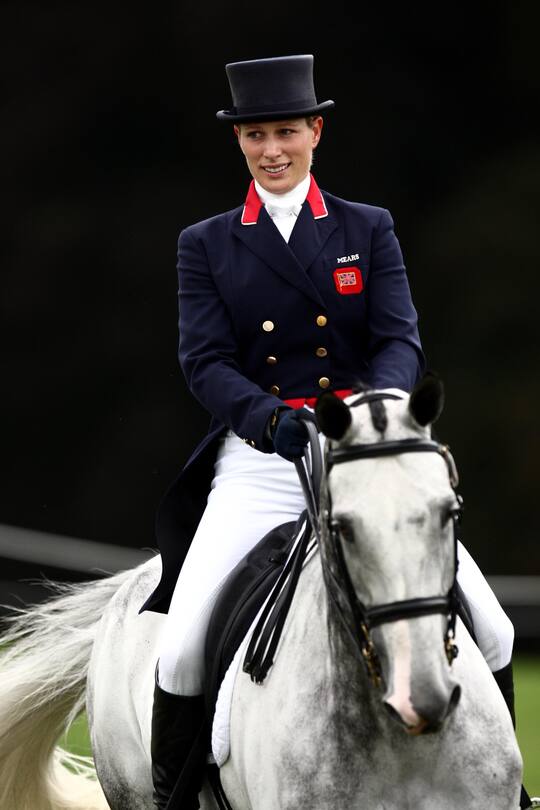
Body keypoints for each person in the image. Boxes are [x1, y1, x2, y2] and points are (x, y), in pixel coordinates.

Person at [139, 55, 533, 810]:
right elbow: (206, 361)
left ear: (314, 131)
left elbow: (399, 338)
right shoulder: (207, 243)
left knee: (496, 628)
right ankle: (176, 797)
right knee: (183, 647)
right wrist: (270, 421)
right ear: (241, 142)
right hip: (262, 460)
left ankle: (509, 793)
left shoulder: (367, 227)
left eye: (285, 130)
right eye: (255, 135)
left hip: (366, 451)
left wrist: (374, 412)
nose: (271, 149)